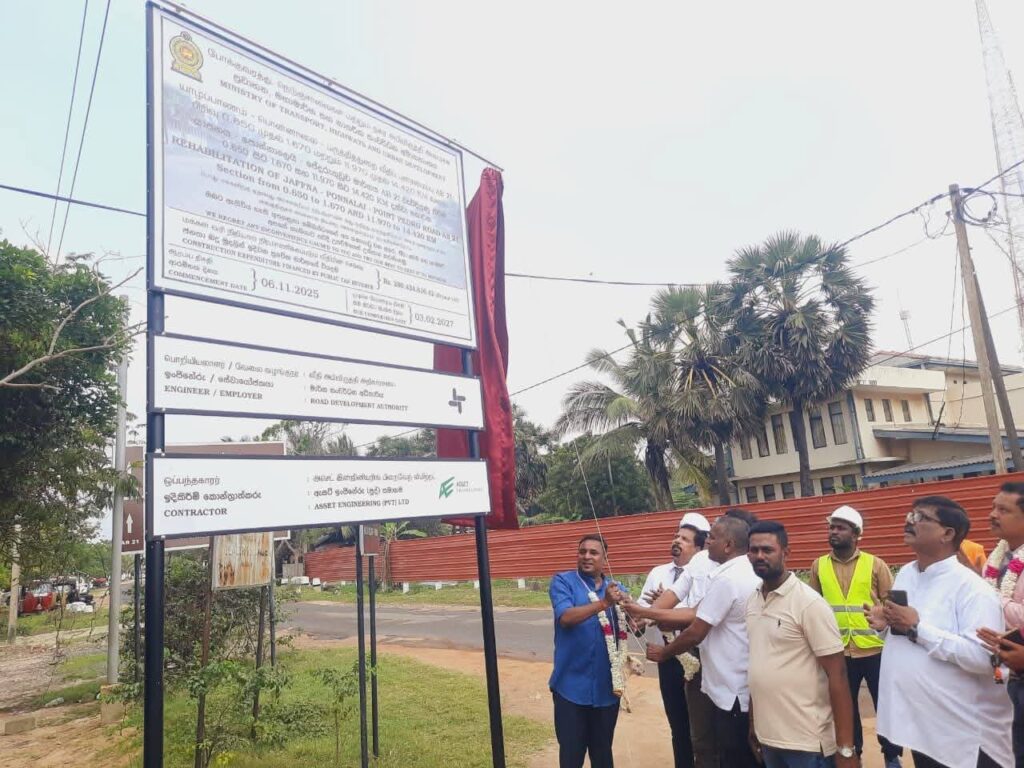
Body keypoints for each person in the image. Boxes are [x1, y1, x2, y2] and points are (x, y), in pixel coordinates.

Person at [866, 496, 1012, 768]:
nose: (909, 522)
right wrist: (886, 625)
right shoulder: (907, 573)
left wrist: (917, 627)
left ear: (947, 534)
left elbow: (984, 659)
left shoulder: (973, 590)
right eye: (910, 515)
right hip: (920, 725)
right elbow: (907, 635)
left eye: (920, 517)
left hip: (959, 735)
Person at [635, 515, 762, 768]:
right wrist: (645, 616)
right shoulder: (702, 561)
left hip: (728, 678)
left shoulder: (731, 577)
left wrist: (655, 631)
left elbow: (697, 623)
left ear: (729, 544)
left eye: (711, 537)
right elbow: (674, 595)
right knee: (697, 736)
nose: (707, 542)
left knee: (733, 747)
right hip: (705, 669)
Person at [746, 520, 857, 768]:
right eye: (754, 550)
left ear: (786, 552)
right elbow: (757, 666)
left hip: (807, 743)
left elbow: (838, 675)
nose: (759, 556)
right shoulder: (753, 601)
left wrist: (846, 749)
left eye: (767, 550)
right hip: (769, 739)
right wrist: (754, 723)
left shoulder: (809, 604)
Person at [809, 504, 902, 768]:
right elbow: (812, 606)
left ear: (856, 534)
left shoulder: (876, 564)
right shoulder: (819, 566)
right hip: (837, 651)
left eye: (841, 528)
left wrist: (884, 613)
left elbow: (893, 604)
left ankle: (891, 755)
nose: (834, 532)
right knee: (845, 709)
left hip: (874, 649)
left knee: (885, 706)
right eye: (832, 527)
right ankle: (854, 754)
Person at [635, 510, 720, 768]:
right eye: (676, 536)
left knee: (704, 729)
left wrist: (663, 610)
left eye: (684, 539)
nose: (677, 541)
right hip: (669, 659)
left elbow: (699, 616)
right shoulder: (658, 573)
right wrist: (639, 618)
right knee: (678, 727)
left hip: (700, 658)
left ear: (700, 547)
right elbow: (641, 618)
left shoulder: (713, 573)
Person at [549, 534, 628, 768]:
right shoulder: (563, 581)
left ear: (605, 558)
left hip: (607, 689)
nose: (586, 556)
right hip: (570, 688)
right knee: (571, 757)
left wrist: (639, 619)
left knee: (602, 755)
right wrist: (603, 604)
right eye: (582, 551)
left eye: (593, 552)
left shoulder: (616, 589)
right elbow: (565, 618)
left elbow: (632, 625)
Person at [976, 481, 1024, 766]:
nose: (992, 514)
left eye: (1003, 510)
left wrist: (990, 599)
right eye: (993, 507)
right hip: (1000, 675)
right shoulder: (995, 558)